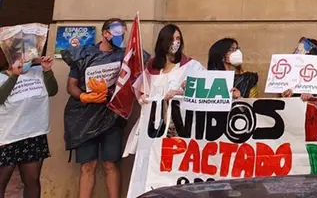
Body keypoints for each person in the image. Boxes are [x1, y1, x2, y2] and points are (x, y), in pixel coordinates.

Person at [126, 24, 205, 198]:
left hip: (177, 129)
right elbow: (141, 90)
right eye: (172, 39)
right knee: (149, 166)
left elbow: (204, 91)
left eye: (178, 39)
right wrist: (144, 98)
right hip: (153, 129)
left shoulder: (191, 66)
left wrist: (181, 92)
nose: (175, 43)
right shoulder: (151, 67)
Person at [63, 18, 128, 198]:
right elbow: (71, 85)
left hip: (111, 116)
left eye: (122, 33)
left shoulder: (125, 56)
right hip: (84, 117)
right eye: (116, 32)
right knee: (87, 165)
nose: (120, 36)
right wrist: (83, 96)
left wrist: (112, 92)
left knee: (110, 164)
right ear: (105, 33)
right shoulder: (83, 54)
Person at [0, 45, 57, 198]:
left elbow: (52, 91)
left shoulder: (38, 72)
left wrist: (47, 70)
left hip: (34, 134)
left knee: (32, 180)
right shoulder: (1, 77)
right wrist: (14, 76)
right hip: (7, 138)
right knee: (1, 181)